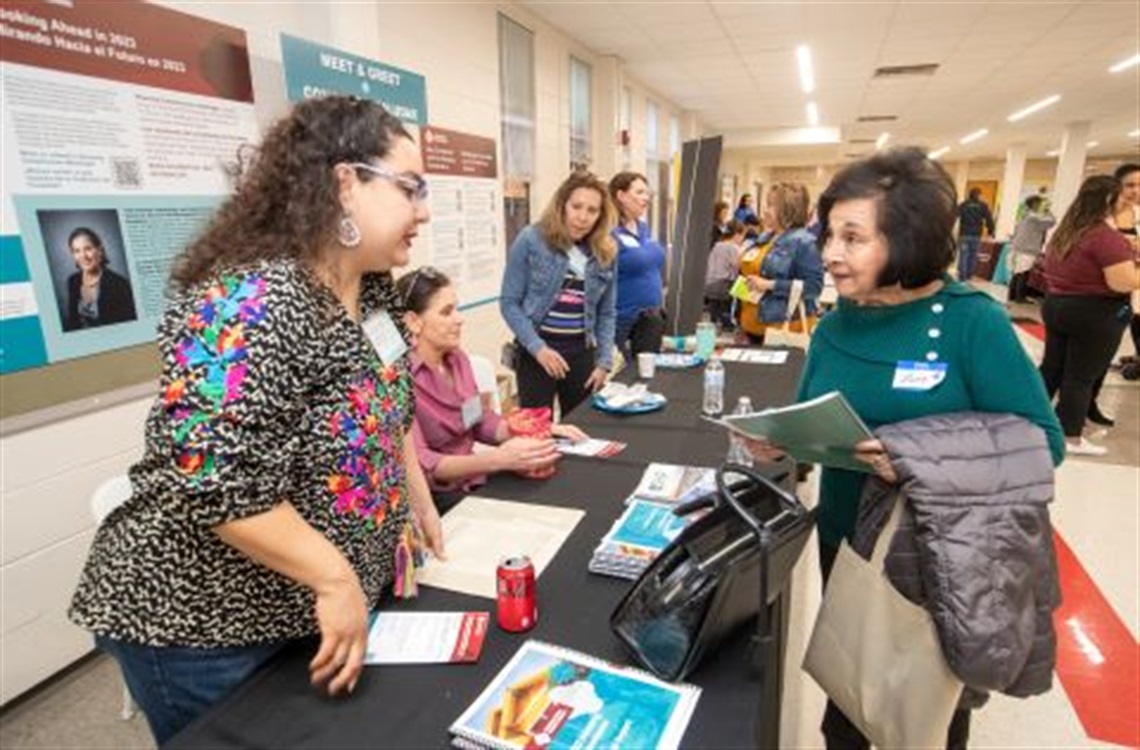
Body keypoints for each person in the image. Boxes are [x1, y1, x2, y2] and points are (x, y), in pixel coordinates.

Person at [68, 96, 446, 745]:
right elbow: (214, 481)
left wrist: (413, 496)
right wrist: (333, 576)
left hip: (306, 608)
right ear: (344, 183)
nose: (424, 209)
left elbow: (387, 406)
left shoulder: (375, 289)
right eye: (410, 188)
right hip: (205, 624)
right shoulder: (249, 300)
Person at [745, 148, 1064, 750]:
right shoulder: (838, 323)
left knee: (925, 716)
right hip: (847, 543)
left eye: (853, 237)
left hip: (940, 559)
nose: (831, 254)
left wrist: (914, 457)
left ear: (908, 238)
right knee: (850, 699)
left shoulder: (973, 323)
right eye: (828, 235)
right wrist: (780, 446)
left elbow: (1041, 445)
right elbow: (816, 425)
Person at [398, 266, 587, 503]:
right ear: (413, 322)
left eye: (456, 308)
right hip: (436, 496)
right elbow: (421, 461)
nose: (460, 319)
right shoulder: (398, 381)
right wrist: (500, 459)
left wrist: (535, 430)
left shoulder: (458, 360)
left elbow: (477, 421)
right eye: (446, 312)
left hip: (475, 476)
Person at [500, 171, 617, 416]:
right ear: (562, 204)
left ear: (601, 215)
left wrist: (604, 362)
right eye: (576, 207)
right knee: (537, 436)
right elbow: (509, 303)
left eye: (592, 210)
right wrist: (537, 347)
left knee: (582, 430)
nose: (582, 217)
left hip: (581, 354)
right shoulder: (531, 239)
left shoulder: (606, 251)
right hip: (536, 354)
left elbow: (606, 313)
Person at [1039, 175, 1138, 455]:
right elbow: (1122, 282)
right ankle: (1070, 437)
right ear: (1109, 200)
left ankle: (1029, 420)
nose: (1128, 201)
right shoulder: (1105, 237)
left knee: (1052, 369)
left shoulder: (1066, 231)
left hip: (1058, 304)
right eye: (1123, 196)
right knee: (1080, 377)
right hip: (1094, 313)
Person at [735, 182, 824, 344]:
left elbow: (814, 287)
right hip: (750, 326)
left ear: (788, 210)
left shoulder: (805, 243)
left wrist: (770, 285)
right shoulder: (764, 238)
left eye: (771, 205)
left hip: (782, 329)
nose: (765, 210)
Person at [609, 172, 666, 363]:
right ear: (621, 196)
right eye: (640, 192)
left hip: (651, 316)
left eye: (647, 193)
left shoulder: (644, 228)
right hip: (622, 318)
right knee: (618, 376)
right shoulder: (609, 232)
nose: (646, 198)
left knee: (647, 375)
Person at [62, 226, 138, 331]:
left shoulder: (119, 284)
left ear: (99, 250)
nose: (83, 256)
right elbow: (73, 322)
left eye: (88, 249)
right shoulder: (73, 281)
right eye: (77, 251)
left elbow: (128, 327)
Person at [1007, 195, 1055, 303]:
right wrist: (1047, 210)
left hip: (1018, 247)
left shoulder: (1025, 215)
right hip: (1027, 249)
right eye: (1040, 204)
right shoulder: (1035, 218)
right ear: (1035, 204)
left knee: (1017, 272)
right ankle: (1020, 298)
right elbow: (1052, 222)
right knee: (1024, 273)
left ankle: (1012, 296)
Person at [705, 219, 744, 331]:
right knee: (744, 288)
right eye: (742, 236)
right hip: (724, 286)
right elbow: (739, 266)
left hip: (710, 285)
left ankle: (715, 323)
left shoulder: (717, 245)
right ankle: (732, 322)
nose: (742, 239)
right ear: (737, 234)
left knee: (715, 310)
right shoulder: (733, 248)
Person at [955, 187, 995, 281]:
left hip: (964, 234)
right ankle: (969, 275)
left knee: (964, 255)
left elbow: (954, 215)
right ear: (979, 195)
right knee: (973, 256)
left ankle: (962, 277)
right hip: (976, 235)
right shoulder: (983, 205)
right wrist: (991, 231)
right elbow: (989, 219)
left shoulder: (964, 204)